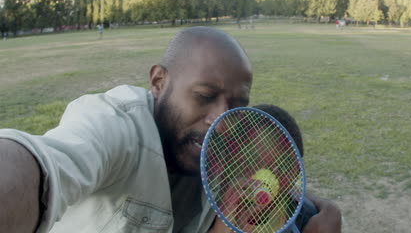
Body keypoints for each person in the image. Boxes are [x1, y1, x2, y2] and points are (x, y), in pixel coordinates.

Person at [0, 26, 341, 233]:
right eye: (205, 96)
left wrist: (315, 205)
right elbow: (45, 164)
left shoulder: (227, 154)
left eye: (238, 104)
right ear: (159, 82)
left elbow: (268, 178)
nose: (220, 122)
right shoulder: (115, 125)